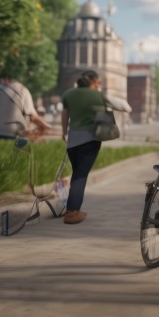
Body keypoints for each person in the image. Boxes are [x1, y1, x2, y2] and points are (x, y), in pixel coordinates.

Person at [61, 69, 131, 225]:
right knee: (80, 176)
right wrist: (100, 93)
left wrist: (63, 132)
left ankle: (72, 209)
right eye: (99, 82)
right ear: (94, 82)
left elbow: (65, 114)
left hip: (72, 141)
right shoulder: (98, 95)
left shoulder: (68, 94)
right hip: (90, 140)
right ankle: (72, 212)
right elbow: (126, 107)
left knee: (77, 174)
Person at [0, 74, 51, 140]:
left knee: (0, 150)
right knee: (22, 149)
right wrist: (46, 126)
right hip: (18, 135)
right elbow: (33, 117)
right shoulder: (23, 90)